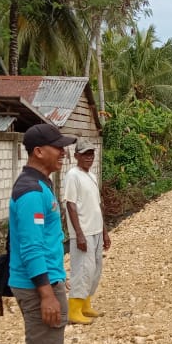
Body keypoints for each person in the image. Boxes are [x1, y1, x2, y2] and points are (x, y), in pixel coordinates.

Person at [9, 123, 77, 344]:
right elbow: (31, 247)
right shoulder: (30, 193)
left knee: (51, 343)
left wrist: (57, 280)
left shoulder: (42, 185)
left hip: (48, 279)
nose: (63, 152)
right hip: (36, 284)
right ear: (38, 151)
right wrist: (46, 293)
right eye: (57, 147)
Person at [62, 137, 111, 324]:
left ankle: (85, 305)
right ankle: (74, 310)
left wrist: (104, 232)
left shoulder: (91, 176)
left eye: (91, 154)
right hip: (83, 232)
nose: (89, 157)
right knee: (82, 269)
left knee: (94, 269)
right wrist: (79, 234)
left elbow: (97, 206)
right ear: (76, 156)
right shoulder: (72, 175)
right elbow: (71, 205)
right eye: (85, 154)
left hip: (96, 230)